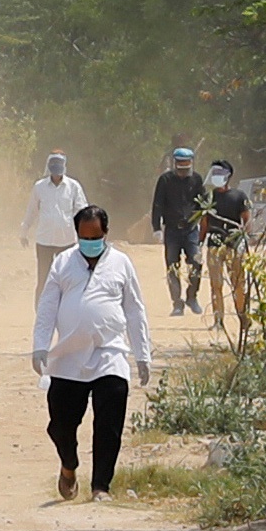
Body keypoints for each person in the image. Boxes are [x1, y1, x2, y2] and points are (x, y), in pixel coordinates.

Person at [32, 205, 152, 502]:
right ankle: (69, 465)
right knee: (61, 425)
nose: (89, 242)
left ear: (105, 234)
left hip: (109, 353)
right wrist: (40, 345)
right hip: (68, 357)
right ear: (77, 235)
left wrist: (142, 354)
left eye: (95, 236)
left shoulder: (122, 263)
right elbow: (47, 306)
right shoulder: (62, 263)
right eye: (84, 237)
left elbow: (134, 310)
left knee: (109, 423)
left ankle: (101, 486)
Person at [19, 150, 90, 305]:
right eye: (54, 165)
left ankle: (67, 310)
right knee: (44, 278)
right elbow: (32, 211)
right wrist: (24, 231)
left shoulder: (73, 187)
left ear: (63, 166)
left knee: (67, 279)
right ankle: (41, 313)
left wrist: (87, 235)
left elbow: (82, 212)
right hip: (44, 240)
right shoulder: (39, 187)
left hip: (67, 241)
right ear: (49, 166)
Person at [150, 147, 206, 316]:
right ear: (174, 163)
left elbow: (203, 204)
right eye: (180, 163)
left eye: (186, 163)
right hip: (172, 231)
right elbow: (157, 204)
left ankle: (192, 296)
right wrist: (156, 228)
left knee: (196, 263)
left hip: (191, 231)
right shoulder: (165, 180)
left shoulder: (196, 179)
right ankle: (177, 303)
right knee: (172, 267)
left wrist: (203, 227)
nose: (183, 167)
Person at [201, 160, 251, 332]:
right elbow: (204, 222)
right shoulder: (209, 197)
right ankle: (218, 321)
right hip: (214, 246)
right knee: (216, 284)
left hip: (234, 245)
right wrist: (199, 244)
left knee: (238, 284)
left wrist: (243, 240)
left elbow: (246, 221)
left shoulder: (239, 196)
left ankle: (243, 317)